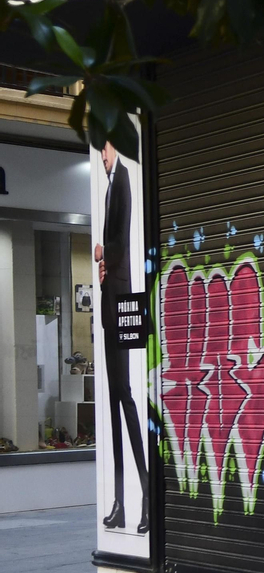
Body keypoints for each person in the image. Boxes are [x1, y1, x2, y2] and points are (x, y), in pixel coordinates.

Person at [94, 140, 148, 534]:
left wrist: (101, 254)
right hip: (112, 302)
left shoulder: (124, 179)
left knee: (125, 395)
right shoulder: (111, 182)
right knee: (115, 400)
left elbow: (121, 243)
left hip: (123, 304)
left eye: (105, 148)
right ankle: (121, 503)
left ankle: (146, 496)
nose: (102, 155)